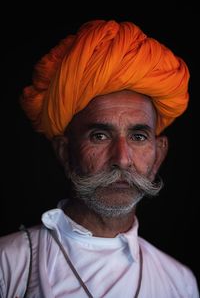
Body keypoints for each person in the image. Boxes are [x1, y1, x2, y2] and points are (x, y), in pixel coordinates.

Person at [0, 19, 199, 298]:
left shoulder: (180, 282)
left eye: (138, 137)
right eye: (100, 136)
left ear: (159, 155)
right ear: (64, 152)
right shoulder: (8, 265)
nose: (121, 159)